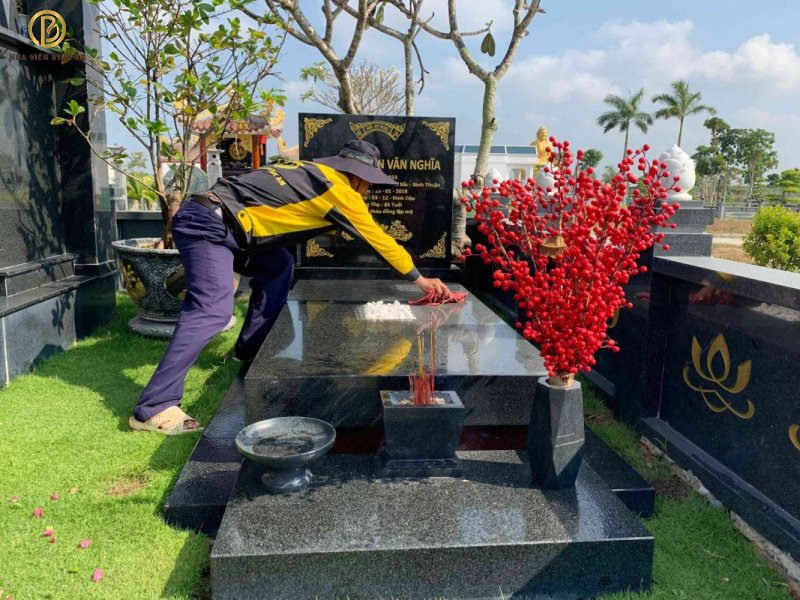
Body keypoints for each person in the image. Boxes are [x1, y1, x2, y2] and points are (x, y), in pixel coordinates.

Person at [129, 139, 453, 435]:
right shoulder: (339, 191)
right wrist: (420, 279)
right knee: (212, 310)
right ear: (355, 176)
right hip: (209, 226)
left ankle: (250, 350)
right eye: (367, 183)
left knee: (278, 265)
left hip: (223, 221)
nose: (367, 191)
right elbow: (379, 240)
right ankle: (154, 407)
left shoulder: (307, 170)